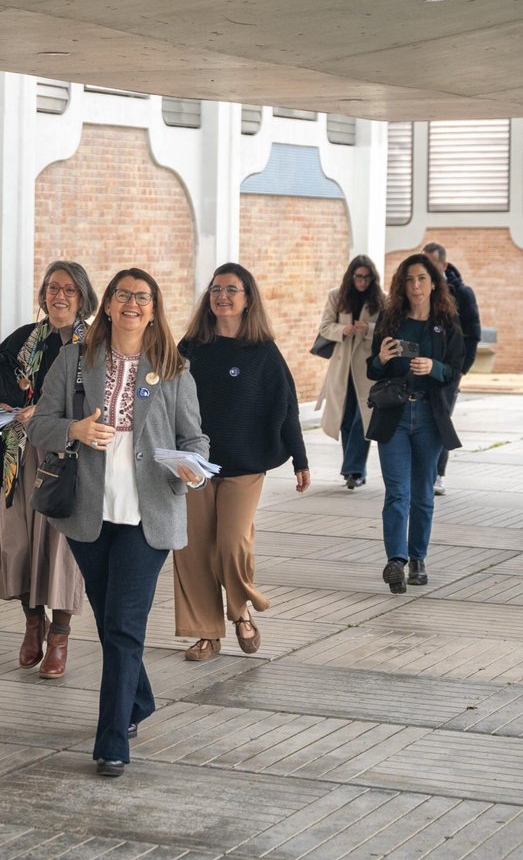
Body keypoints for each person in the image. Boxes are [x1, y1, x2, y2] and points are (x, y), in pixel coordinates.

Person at [28, 268, 208, 778]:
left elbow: (196, 440)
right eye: (123, 295)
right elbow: (39, 424)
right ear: (107, 305)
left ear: (153, 308)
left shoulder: (174, 368)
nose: (132, 303)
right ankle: (139, 699)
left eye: (143, 297)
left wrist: (192, 468)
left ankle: (112, 742)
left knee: (125, 627)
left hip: (148, 514)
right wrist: (75, 429)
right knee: (113, 626)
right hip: (88, 513)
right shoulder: (74, 360)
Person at [0, 261, 96, 679]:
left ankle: (59, 636)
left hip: (66, 458)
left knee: (59, 551)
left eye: (68, 290)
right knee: (19, 544)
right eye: (52, 288)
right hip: (19, 459)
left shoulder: (93, 344)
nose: (58, 296)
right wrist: (4, 405)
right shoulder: (26, 338)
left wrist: (43, 410)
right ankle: (31, 623)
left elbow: (99, 398)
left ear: (83, 298)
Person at [176, 264, 310, 661]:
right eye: (216, 289)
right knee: (194, 549)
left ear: (248, 298)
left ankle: (240, 609)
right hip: (195, 465)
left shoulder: (263, 351)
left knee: (232, 543)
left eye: (232, 290)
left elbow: (286, 408)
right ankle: (205, 633)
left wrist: (299, 458)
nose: (222, 296)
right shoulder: (191, 347)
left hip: (246, 465)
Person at [366, 255, 465, 594]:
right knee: (397, 492)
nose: (416, 286)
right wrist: (381, 359)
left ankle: (417, 557)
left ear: (434, 282)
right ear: (401, 285)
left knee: (422, 493)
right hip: (394, 415)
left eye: (422, 279)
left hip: (429, 418)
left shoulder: (447, 324)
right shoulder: (390, 321)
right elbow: (372, 370)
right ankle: (396, 560)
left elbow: (455, 371)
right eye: (409, 280)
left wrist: (433, 368)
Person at [314, 256, 384, 489]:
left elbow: (388, 330)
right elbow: (324, 326)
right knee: (345, 417)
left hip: (365, 369)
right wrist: (344, 329)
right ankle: (353, 470)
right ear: (351, 277)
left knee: (361, 419)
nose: (362, 282)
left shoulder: (381, 299)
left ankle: (354, 469)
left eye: (366, 277)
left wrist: (369, 330)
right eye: (358, 277)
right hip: (342, 367)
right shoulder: (337, 296)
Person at [422, 243, 481, 496]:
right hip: (421, 368)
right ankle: (423, 473)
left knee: (440, 419)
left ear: (443, 266)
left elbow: (473, 332)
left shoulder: (462, 293)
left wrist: (460, 369)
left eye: (431, 264)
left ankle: (438, 475)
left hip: (448, 371)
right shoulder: (420, 290)